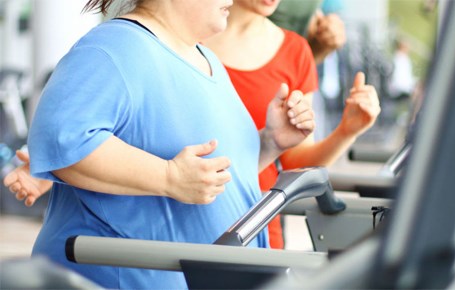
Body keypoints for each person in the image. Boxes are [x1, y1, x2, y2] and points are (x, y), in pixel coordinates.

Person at [5, 0, 380, 252]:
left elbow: (215, 172)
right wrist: (168, 176)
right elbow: (63, 141)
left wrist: (269, 144)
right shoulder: (112, 48)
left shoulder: (205, 58)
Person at [202, 0, 380, 249]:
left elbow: (295, 162)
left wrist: (347, 131)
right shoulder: (187, 39)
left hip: (255, 222)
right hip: (181, 217)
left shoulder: (295, 51)